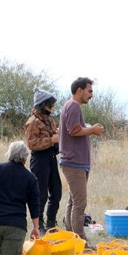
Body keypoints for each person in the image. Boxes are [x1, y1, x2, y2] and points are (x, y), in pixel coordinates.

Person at [59, 77, 104, 241]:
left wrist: (90, 129)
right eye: (89, 91)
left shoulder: (70, 106)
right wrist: (92, 130)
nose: (91, 95)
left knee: (73, 201)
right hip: (74, 162)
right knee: (79, 203)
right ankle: (80, 241)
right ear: (80, 91)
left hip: (75, 162)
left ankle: (73, 239)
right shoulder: (73, 106)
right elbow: (74, 130)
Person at [24, 87, 60, 233]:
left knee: (56, 191)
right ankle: (39, 225)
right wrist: (51, 140)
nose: (51, 107)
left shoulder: (49, 120)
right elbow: (32, 143)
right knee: (41, 194)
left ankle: (52, 222)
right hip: (40, 159)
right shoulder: (32, 122)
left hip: (51, 157)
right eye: (49, 104)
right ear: (42, 105)